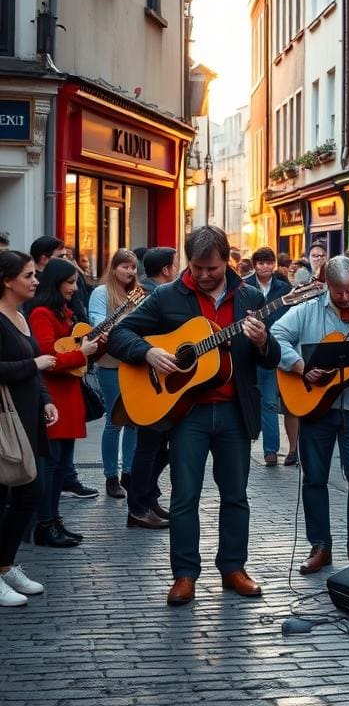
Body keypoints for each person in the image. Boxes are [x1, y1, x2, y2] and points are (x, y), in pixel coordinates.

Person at [108, 226, 281, 607]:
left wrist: (263, 341)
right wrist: (147, 353)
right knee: (185, 497)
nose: (204, 275)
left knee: (235, 496)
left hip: (235, 413)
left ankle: (233, 568)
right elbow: (119, 335)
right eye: (197, 267)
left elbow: (271, 359)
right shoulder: (168, 296)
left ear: (228, 262)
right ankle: (184, 575)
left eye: (213, 269)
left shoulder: (249, 297)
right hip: (189, 415)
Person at [273, 256, 349, 572]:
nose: (347, 298)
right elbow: (276, 336)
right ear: (326, 286)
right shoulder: (308, 310)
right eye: (339, 292)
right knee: (314, 477)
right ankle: (320, 546)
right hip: (315, 407)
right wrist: (300, 366)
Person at [25, 258, 100, 547]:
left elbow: (77, 349)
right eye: (69, 282)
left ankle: (53, 519)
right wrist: (83, 353)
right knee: (51, 463)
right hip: (54, 397)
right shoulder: (42, 313)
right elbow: (48, 358)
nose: (74, 288)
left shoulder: (64, 312)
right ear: (55, 283)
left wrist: (94, 345)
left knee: (60, 463)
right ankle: (45, 523)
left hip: (68, 395)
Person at [0, 251, 59, 605]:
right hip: (4, 423)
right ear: (7, 281)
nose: (36, 281)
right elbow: (19, 365)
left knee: (28, 495)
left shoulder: (20, 317)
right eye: (28, 275)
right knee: (7, 498)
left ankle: (5, 566)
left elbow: (34, 371)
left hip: (27, 421)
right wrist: (32, 363)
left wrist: (46, 398)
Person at [125, 247, 180, 529]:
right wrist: (150, 352)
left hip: (162, 383)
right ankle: (138, 506)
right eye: (177, 264)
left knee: (159, 448)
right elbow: (128, 332)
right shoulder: (150, 295)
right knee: (148, 448)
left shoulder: (154, 291)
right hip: (149, 380)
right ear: (167, 270)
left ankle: (148, 497)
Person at [88, 249, 142, 499]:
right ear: (114, 268)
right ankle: (111, 475)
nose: (130, 272)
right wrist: (125, 317)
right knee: (115, 419)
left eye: (133, 267)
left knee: (134, 419)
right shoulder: (101, 292)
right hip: (110, 363)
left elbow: (147, 322)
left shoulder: (137, 293)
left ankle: (130, 473)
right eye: (125, 267)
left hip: (135, 362)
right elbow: (99, 326)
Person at [244, 247, 293, 467]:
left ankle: (270, 450)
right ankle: (242, 445)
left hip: (272, 348)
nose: (265, 267)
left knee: (270, 402)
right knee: (244, 399)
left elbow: (292, 315)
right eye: (261, 263)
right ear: (254, 265)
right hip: (245, 349)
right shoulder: (244, 285)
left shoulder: (284, 288)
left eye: (268, 263)